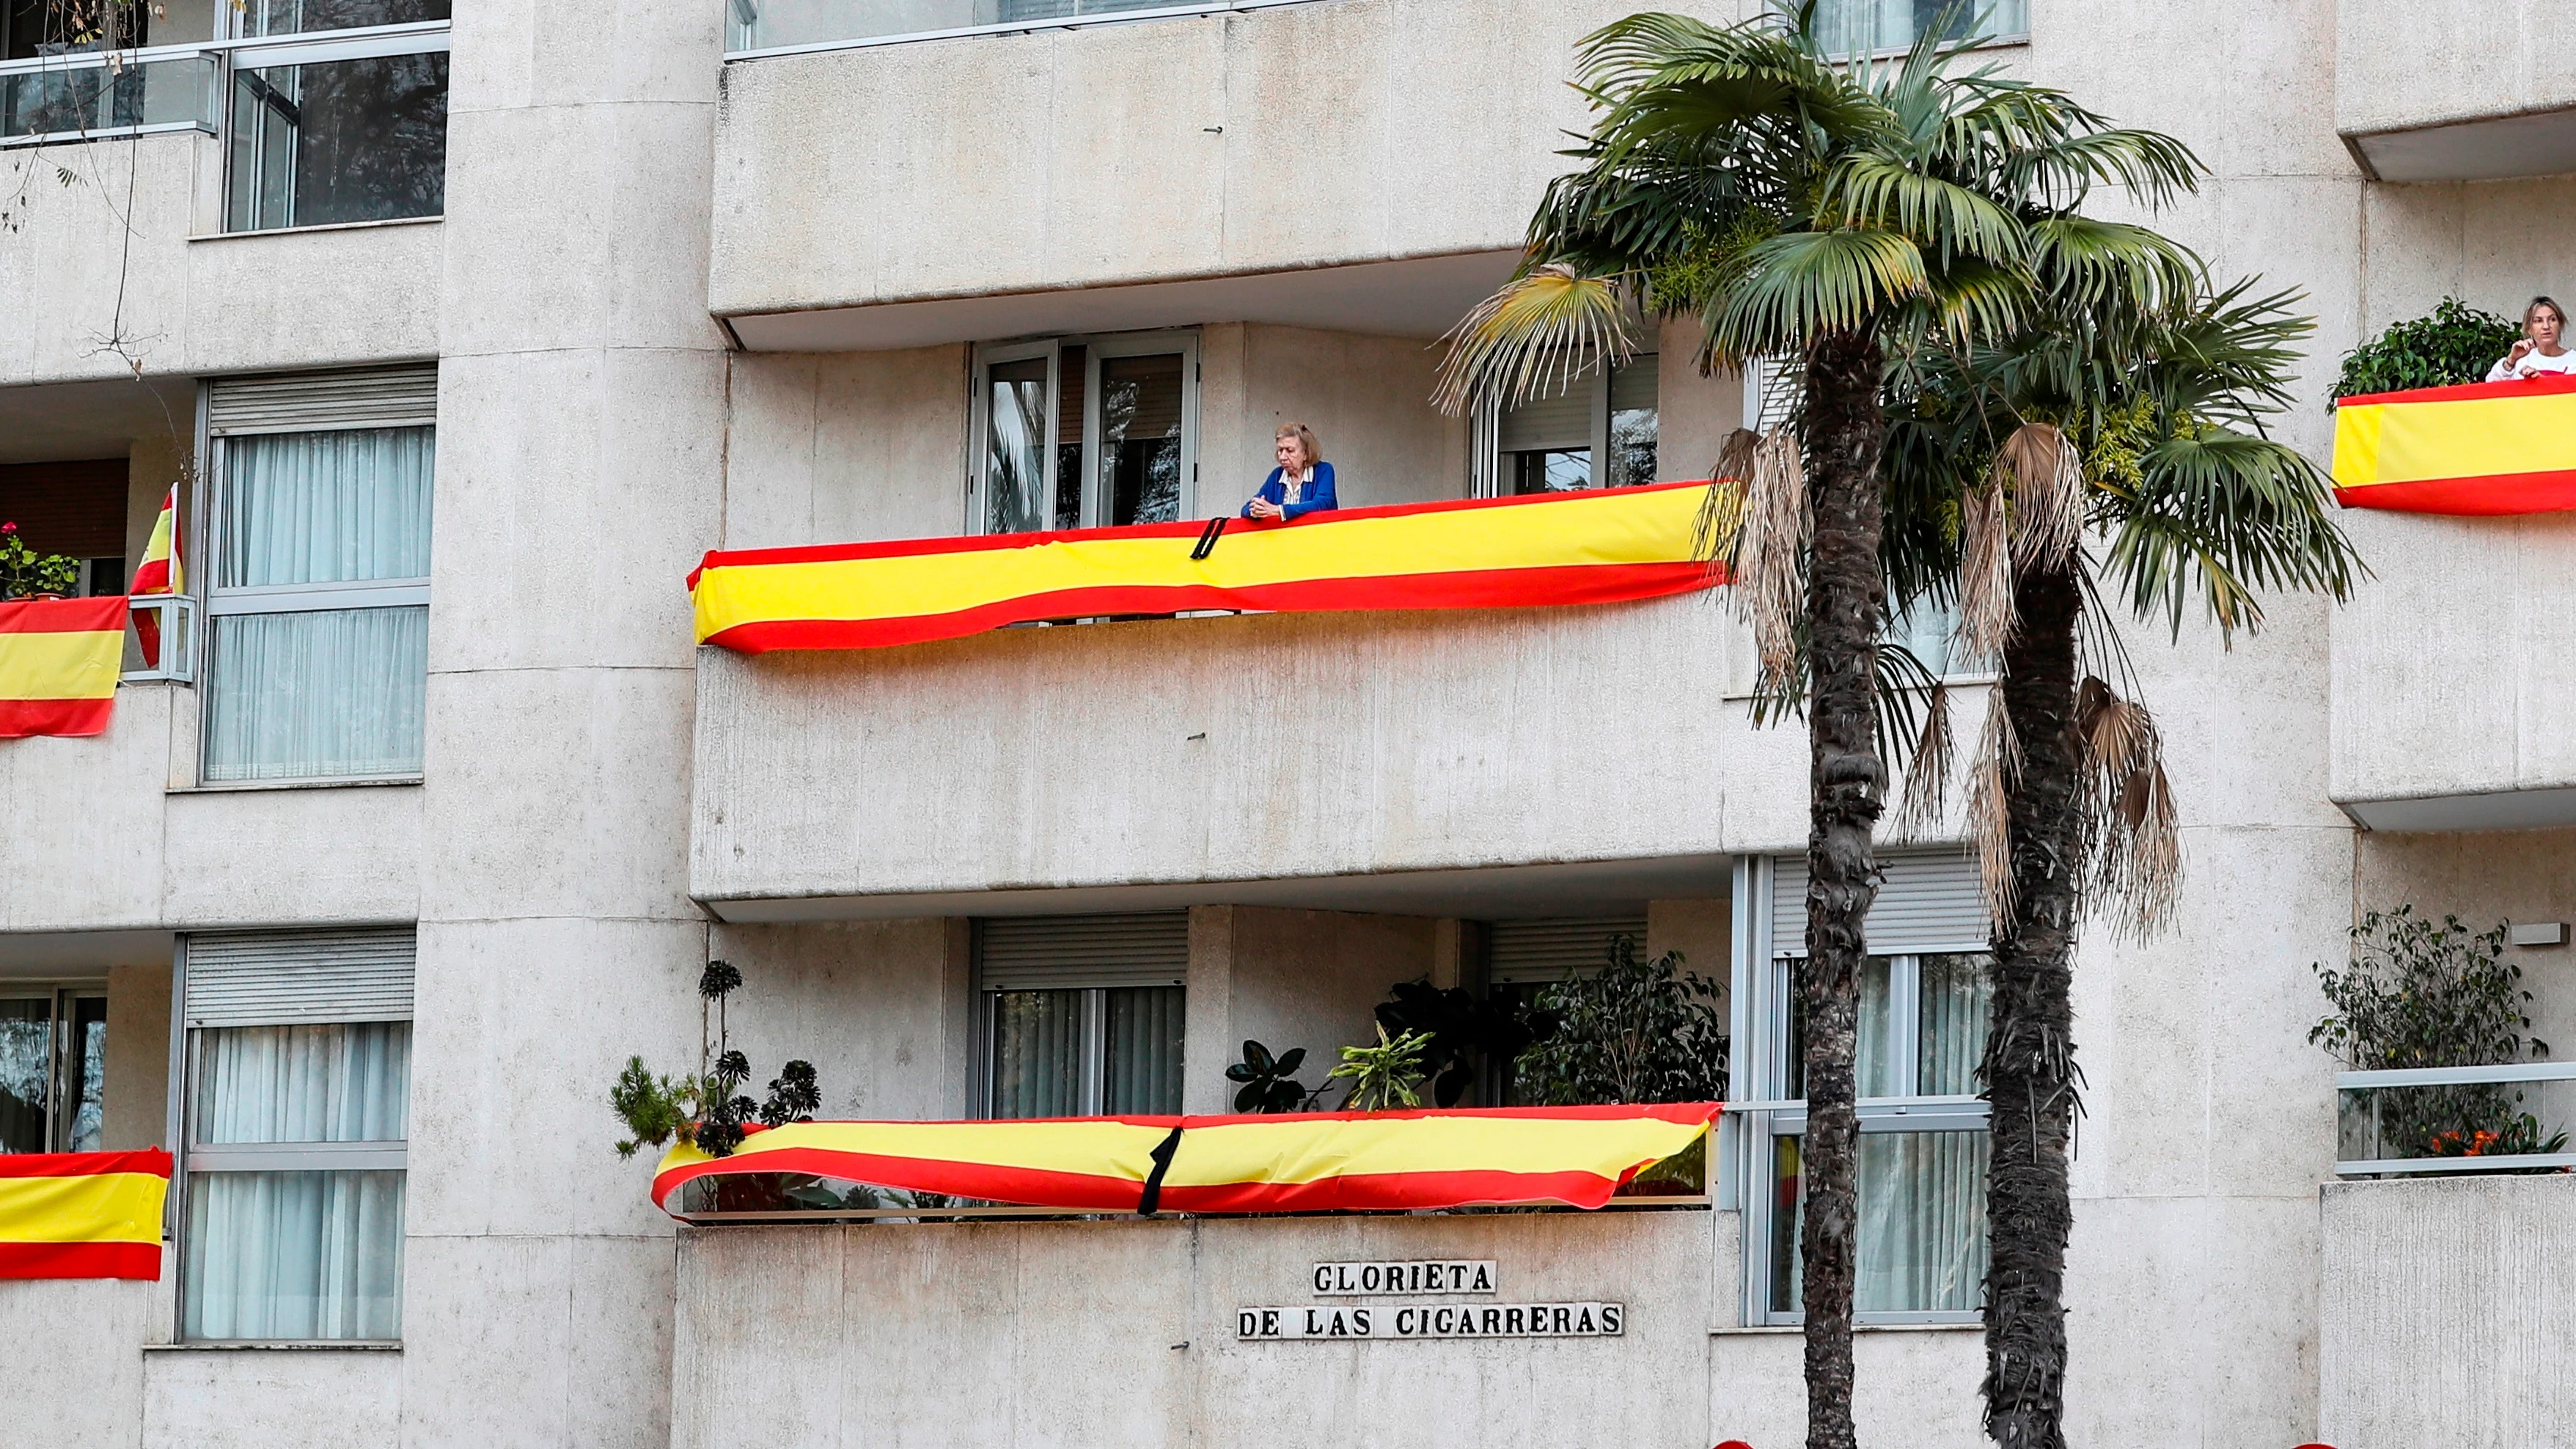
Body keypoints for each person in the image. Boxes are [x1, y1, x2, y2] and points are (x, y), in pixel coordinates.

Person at [1242, 422, 1337, 521]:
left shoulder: (1323, 470)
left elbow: (1322, 504)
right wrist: (1255, 510)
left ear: (1306, 454)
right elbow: (1246, 509)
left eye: (1290, 450)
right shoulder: (1277, 475)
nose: (1282, 457)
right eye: (1280, 450)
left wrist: (1279, 511)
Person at [2487, 296, 2576, 380]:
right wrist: (2511, 360)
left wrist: (2542, 382)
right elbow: (2490, 385)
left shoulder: (2573, 359)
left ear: (2560, 324)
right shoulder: (2523, 361)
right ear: (2529, 329)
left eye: (2552, 319)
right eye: (2538, 321)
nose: (2546, 326)